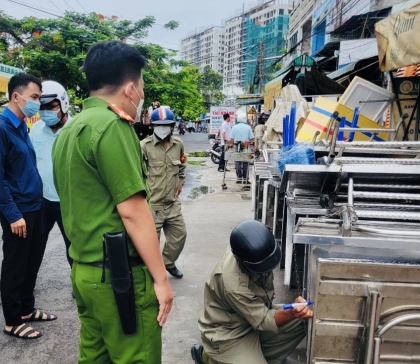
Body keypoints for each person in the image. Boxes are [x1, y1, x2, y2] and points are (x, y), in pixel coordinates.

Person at [52, 40, 174, 363]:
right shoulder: (113, 127)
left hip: (83, 273)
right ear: (130, 89)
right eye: (142, 87)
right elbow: (134, 212)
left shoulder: (67, 131)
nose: (141, 96)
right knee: (137, 356)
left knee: (95, 357)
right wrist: (161, 280)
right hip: (120, 278)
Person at [0, 72, 57, 340]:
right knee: (15, 265)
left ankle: (27, 310)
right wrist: (13, 215)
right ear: (17, 96)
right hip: (18, 212)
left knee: (32, 262)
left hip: (35, 206)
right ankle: (13, 321)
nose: (38, 102)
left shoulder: (21, 126)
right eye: (35, 97)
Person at [191, 220, 312, 364]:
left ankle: (259, 357)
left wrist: (297, 312)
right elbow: (264, 320)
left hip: (250, 316)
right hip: (229, 334)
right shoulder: (234, 284)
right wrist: (293, 311)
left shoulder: (249, 245)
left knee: (304, 319)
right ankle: (209, 357)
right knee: (295, 315)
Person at [29, 80, 73, 269]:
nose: (46, 111)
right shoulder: (36, 130)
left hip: (69, 203)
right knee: (35, 247)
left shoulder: (75, 129)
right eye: (42, 107)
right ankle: (27, 287)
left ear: (63, 104)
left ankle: (78, 284)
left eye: (51, 106)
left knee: (74, 248)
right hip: (43, 201)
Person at [141, 106, 187, 279]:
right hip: (153, 205)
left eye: (166, 124)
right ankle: (152, 273)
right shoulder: (144, 147)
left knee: (179, 236)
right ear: (152, 126)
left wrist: (180, 182)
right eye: (158, 125)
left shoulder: (178, 145)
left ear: (172, 126)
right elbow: (138, 173)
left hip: (172, 203)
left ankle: (168, 262)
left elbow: (182, 166)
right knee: (150, 244)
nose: (162, 128)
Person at [229, 112, 254, 183]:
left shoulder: (234, 127)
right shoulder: (248, 127)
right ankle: (245, 179)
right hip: (245, 145)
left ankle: (239, 178)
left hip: (236, 145)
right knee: (246, 163)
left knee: (238, 162)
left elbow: (231, 139)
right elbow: (252, 139)